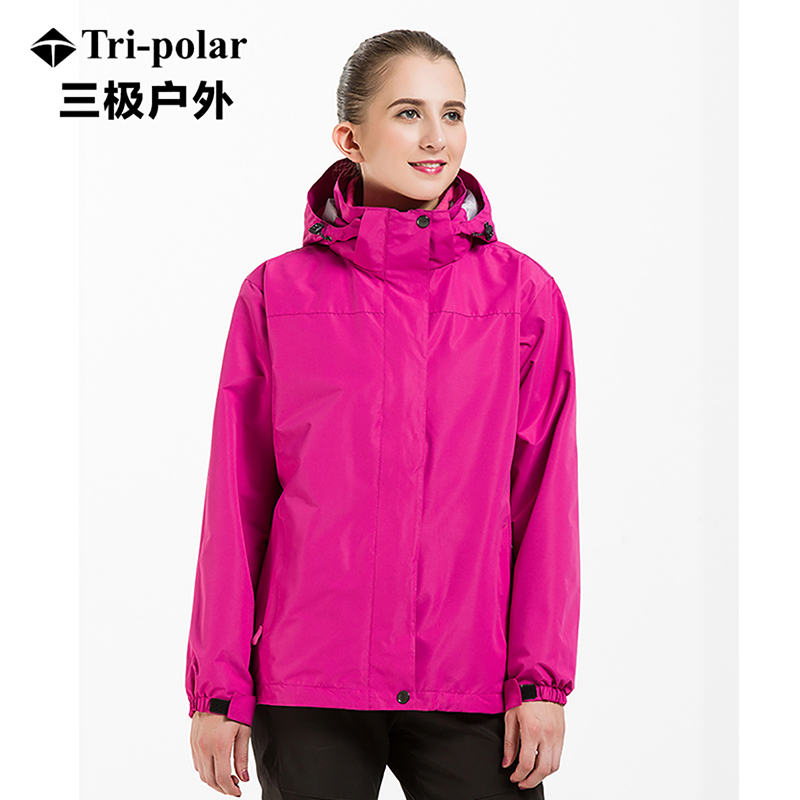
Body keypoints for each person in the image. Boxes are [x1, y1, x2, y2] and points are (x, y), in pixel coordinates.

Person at [186, 29, 580, 800]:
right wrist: (218, 689)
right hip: (311, 682)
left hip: (469, 680)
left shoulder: (522, 296)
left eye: (452, 113)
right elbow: (235, 502)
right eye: (408, 113)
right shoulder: (276, 294)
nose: (437, 138)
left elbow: (543, 501)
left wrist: (539, 682)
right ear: (350, 138)